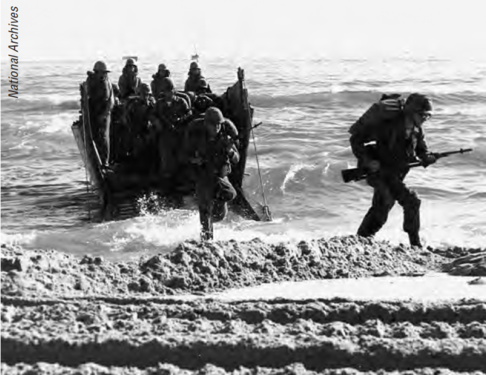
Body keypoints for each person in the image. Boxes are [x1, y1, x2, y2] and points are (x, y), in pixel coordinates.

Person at [348, 93, 437, 247]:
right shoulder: (388, 126)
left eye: (428, 116)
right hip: (379, 172)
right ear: (411, 112)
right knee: (410, 201)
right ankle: (415, 244)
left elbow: (422, 150)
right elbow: (355, 140)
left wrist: (428, 157)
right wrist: (369, 161)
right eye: (422, 115)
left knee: (382, 208)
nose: (425, 119)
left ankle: (361, 240)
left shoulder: (416, 130)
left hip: (395, 174)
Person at [183, 107, 240, 241]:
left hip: (220, 176)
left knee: (224, 207)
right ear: (206, 124)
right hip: (204, 176)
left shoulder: (225, 137)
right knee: (205, 209)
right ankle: (206, 240)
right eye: (213, 125)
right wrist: (195, 159)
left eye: (219, 124)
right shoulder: (197, 137)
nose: (216, 128)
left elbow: (237, 159)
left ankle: (208, 221)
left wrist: (229, 151)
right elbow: (185, 155)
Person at [150, 77, 192, 177]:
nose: (168, 93)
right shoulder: (159, 104)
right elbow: (152, 115)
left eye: (170, 90)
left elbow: (189, 113)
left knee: (182, 155)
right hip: (165, 133)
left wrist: (180, 119)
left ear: (173, 90)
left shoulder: (181, 101)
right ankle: (167, 175)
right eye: (166, 91)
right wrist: (157, 122)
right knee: (165, 155)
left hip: (179, 132)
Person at [86, 61, 116, 165]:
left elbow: (110, 102)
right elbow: (89, 96)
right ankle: (96, 159)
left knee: (103, 137)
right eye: (101, 72)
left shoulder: (107, 83)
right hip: (95, 112)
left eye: (105, 73)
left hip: (104, 113)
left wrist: (104, 115)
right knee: (94, 135)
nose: (103, 75)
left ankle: (104, 162)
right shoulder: (93, 81)